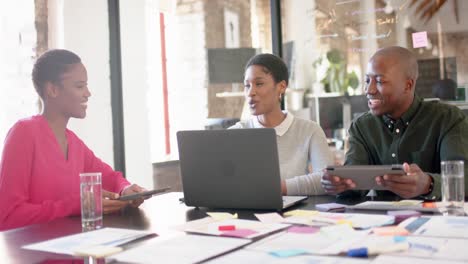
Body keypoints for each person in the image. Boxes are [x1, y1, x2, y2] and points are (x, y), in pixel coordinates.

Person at [0, 49, 148, 231]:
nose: (88, 93)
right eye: (79, 86)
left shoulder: (74, 143)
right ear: (52, 90)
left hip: (75, 250)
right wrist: (75, 206)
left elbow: (111, 178)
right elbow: (8, 216)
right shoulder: (23, 134)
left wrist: (126, 190)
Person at [321, 46, 468, 199]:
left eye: (379, 81)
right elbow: (354, 185)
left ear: (408, 85)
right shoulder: (362, 127)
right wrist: (340, 184)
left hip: (439, 219)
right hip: (381, 220)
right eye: (367, 80)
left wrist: (428, 184)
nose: (369, 89)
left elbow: (464, 178)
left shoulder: (447, 118)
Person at [230, 53, 333, 195]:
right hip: (246, 214)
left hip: (297, 214)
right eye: (247, 85)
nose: (250, 92)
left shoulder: (310, 130)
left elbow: (326, 180)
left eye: (259, 84)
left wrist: (274, 189)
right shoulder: (234, 133)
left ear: (281, 87)